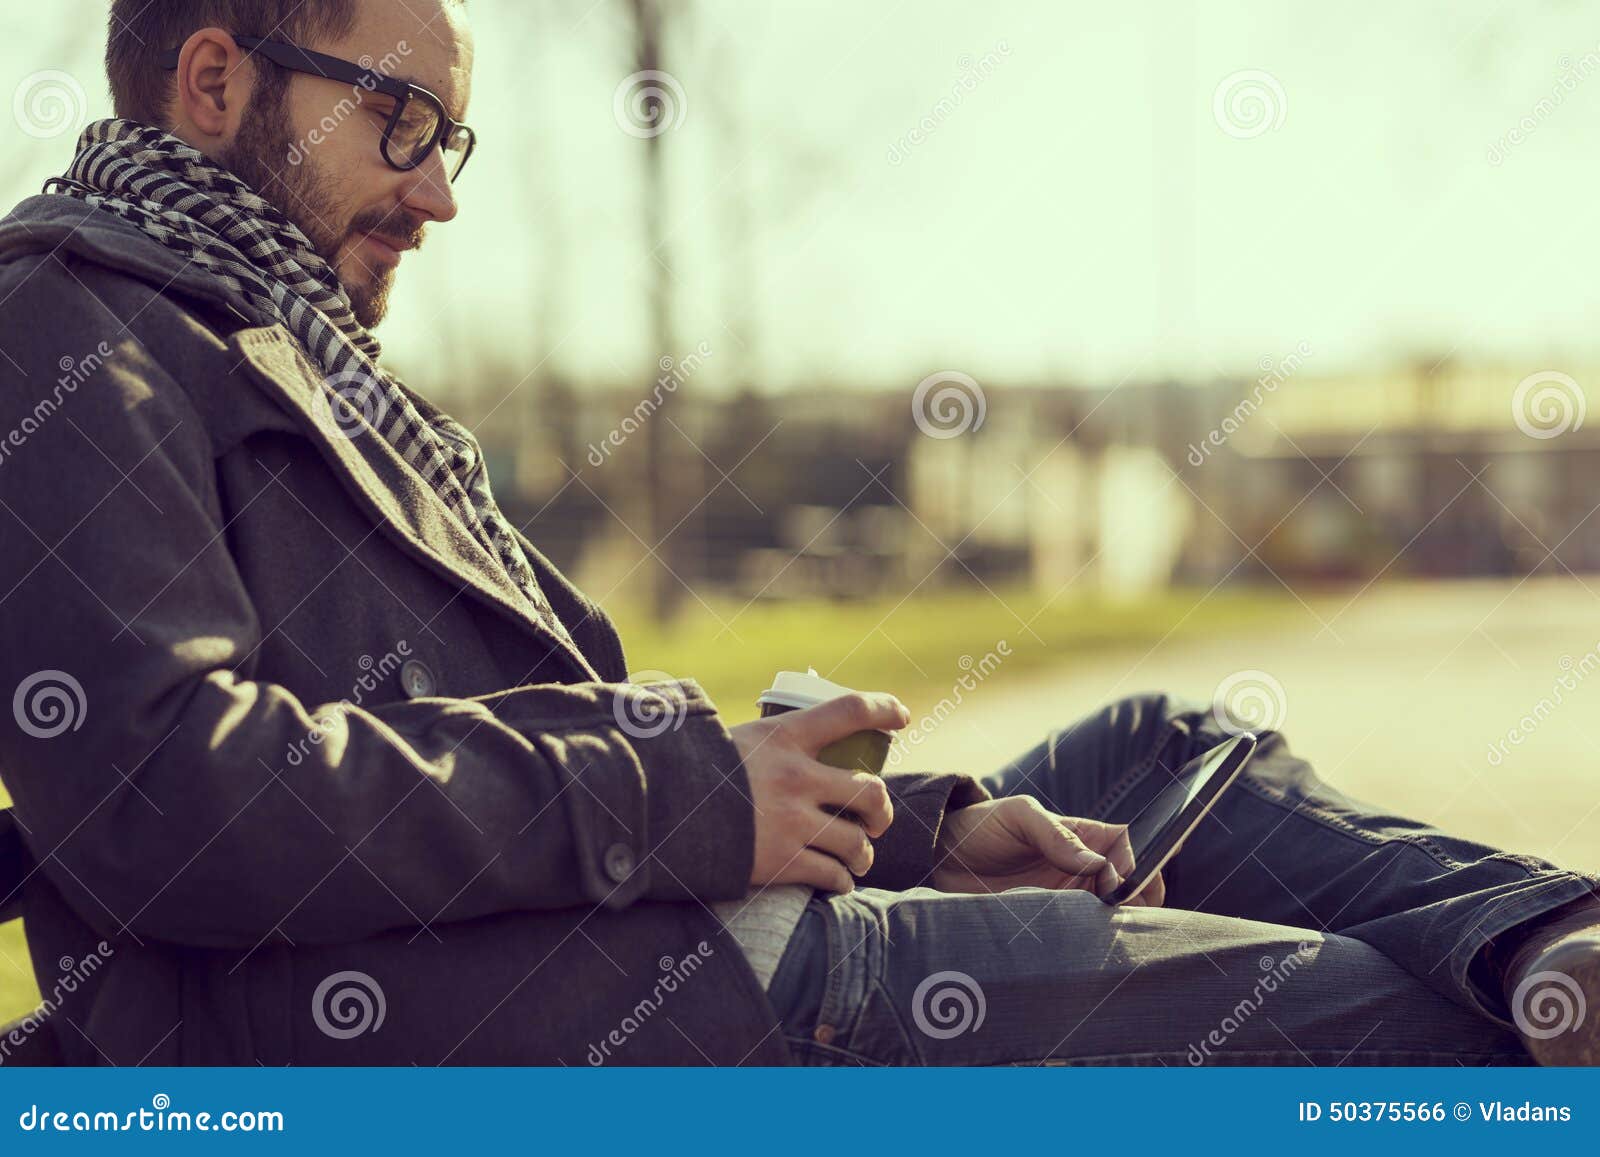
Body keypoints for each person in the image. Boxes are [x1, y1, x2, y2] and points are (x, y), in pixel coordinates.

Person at [0, 0, 1594, 1067]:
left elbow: (534, 734)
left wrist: (915, 831)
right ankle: (1542, 994)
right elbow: (165, 795)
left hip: (656, 924)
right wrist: (691, 799)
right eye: (400, 121)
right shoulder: (72, 326)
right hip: (614, 1006)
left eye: (448, 140)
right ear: (216, 82)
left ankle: (1553, 936)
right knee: (1382, 1018)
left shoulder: (308, 358)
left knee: (1166, 741)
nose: (437, 197)